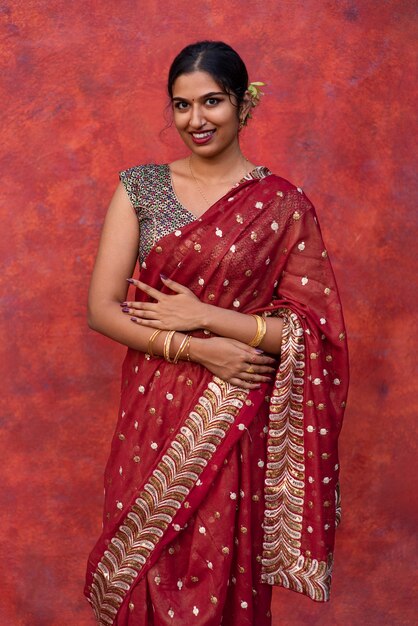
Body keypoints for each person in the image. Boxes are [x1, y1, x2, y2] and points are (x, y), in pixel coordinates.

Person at [84, 40, 349, 626]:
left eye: (212, 102)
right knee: (144, 568)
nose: (196, 120)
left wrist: (205, 314)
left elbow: (315, 334)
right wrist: (192, 345)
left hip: (236, 418)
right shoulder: (140, 188)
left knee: (223, 572)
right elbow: (102, 309)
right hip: (152, 413)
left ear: (242, 104)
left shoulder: (283, 206)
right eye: (181, 106)